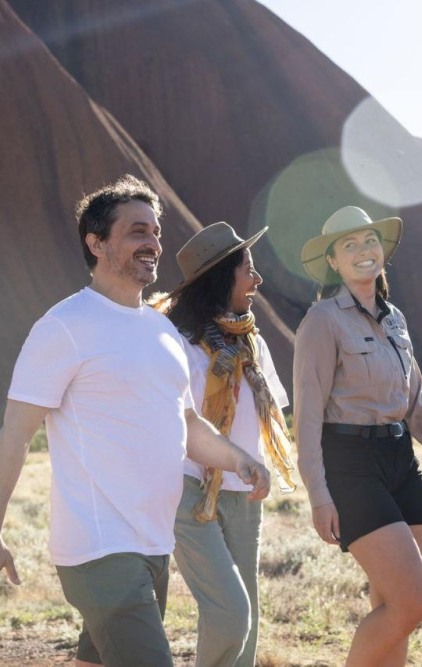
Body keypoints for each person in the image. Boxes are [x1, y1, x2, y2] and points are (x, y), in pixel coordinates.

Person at [0, 175, 271, 667]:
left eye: (155, 232)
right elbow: (15, 435)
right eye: (136, 231)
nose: (152, 243)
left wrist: (239, 460)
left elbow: (187, 423)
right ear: (97, 243)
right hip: (100, 549)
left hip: (152, 544)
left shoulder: (161, 331)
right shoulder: (64, 326)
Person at [293, 206, 422, 667]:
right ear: (333, 262)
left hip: (401, 461)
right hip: (351, 465)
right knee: (411, 602)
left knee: (392, 607)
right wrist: (319, 496)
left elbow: (416, 403)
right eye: (349, 245)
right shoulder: (322, 320)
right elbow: (307, 416)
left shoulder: (395, 319)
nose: (363, 250)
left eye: (370, 241)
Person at [149, 222, 296, 667]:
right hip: (189, 490)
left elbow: (268, 412)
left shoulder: (251, 342)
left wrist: (255, 464)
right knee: (232, 615)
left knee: (242, 627)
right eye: (248, 269)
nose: (257, 279)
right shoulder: (173, 342)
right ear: (220, 277)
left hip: (242, 494)